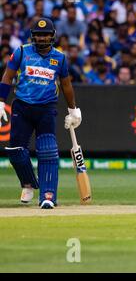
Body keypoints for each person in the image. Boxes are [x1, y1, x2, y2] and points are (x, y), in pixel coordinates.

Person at [0, 18, 82, 209]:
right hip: (22, 106)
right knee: (15, 151)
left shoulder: (59, 58)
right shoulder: (21, 52)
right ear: (32, 36)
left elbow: (66, 85)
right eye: (38, 34)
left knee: (47, 151)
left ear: (52, 36)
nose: (42, 38)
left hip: (46, 109)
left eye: (45, 34)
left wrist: (73, 110)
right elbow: (8, 76)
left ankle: (48, 196)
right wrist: (1, 101)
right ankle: (28, 183)